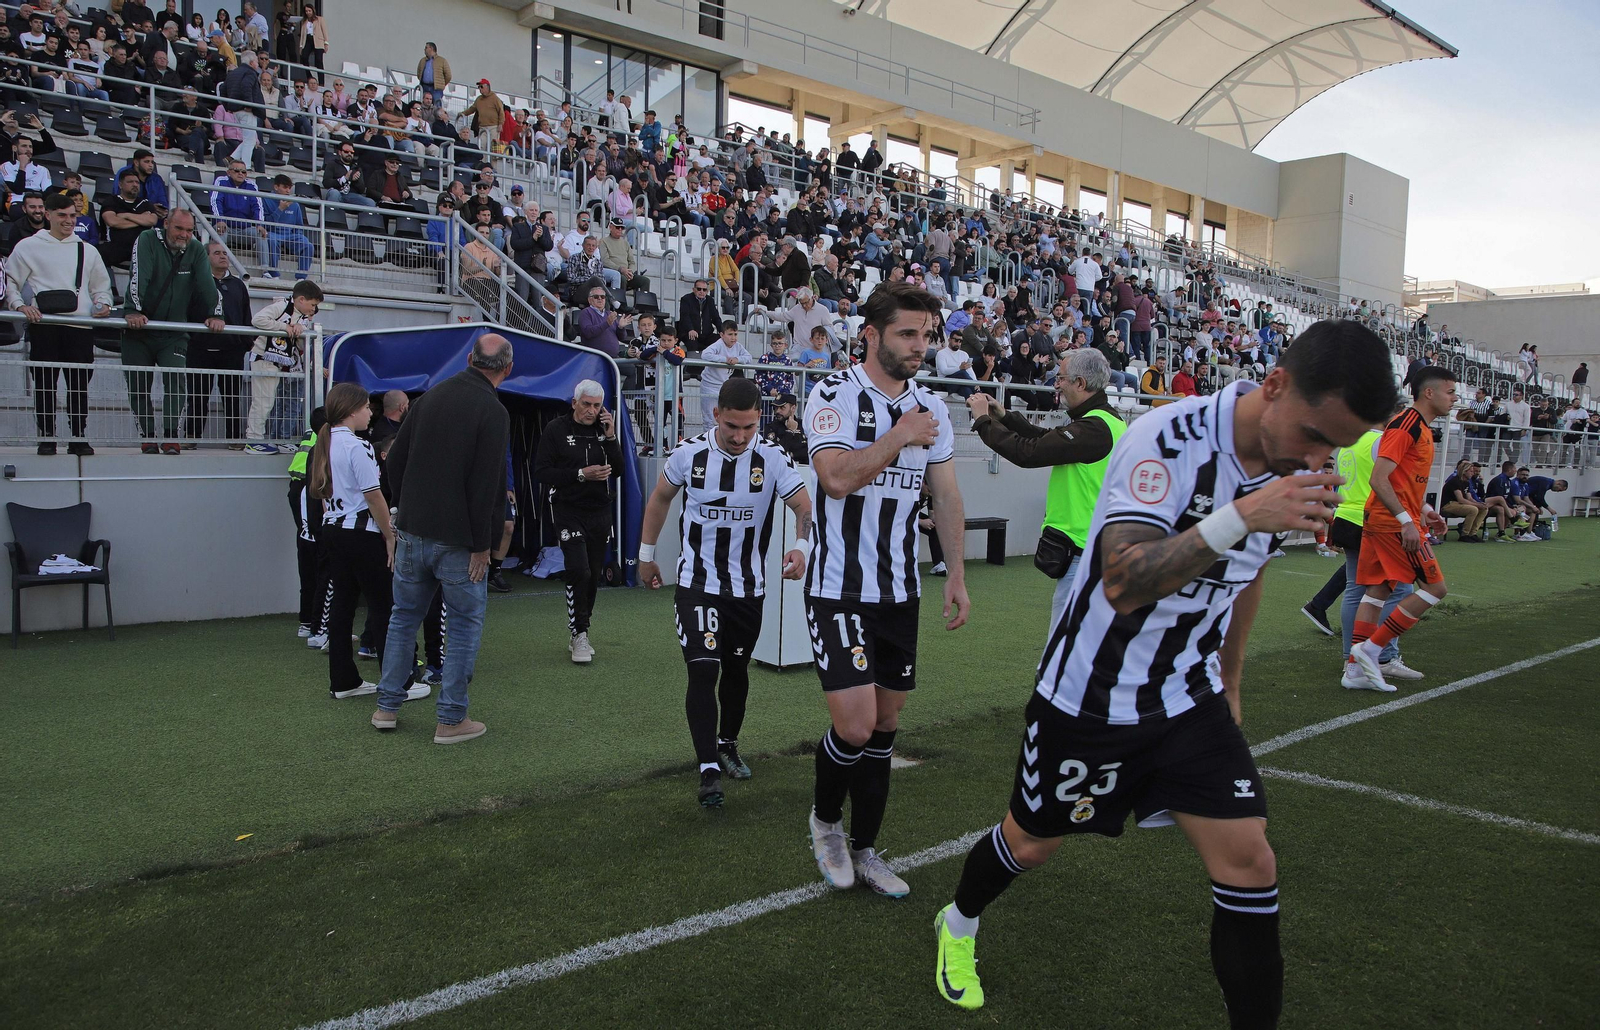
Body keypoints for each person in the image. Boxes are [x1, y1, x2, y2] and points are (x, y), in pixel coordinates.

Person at [933, 319, 1397, 1020]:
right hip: (1090, 694)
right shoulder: (1166, 440)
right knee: (1031, 844)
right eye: (1315, 435)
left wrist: (1232, 679)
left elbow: (1251, 574)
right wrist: (1243, 514)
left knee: (1250, 861)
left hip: (1187, 694)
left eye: (1336, 445)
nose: (1320, 456)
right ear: (1273, 387)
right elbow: (1124, 582)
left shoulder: (1292, 466)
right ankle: (959, 922)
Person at [803, 280, 970, 898]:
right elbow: (836, 479)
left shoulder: (931, 408)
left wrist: (954, 571)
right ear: (871, 334)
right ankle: (825, 821)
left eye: (926, 335)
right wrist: (900, 434)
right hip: (838, 587)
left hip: (900, 592)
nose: (919, 346)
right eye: (907, 333)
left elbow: (946, 493)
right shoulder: (833, 393)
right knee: (853, 726)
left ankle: (867, 848)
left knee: (884, 727)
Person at [637, 377, 813, 807]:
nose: (739, 436)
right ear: (716, 415)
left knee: (736, 671)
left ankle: (728, 743)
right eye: (732, 426)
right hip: (697, 584)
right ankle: (708, 769)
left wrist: (801, 544)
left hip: (748, 589)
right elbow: (660, 498)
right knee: (703, 669)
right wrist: (645, 554)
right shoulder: (688, 453)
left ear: (760, 421)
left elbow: (804, 505)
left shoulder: (772, 458)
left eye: (749, 427)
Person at [371, 333, 512, 742]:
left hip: (413, 531)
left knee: (402, 620)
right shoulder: (493, 411)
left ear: (469, 358)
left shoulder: (429, 397)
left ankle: (386, 708)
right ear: (508, 369)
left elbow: (394, 460)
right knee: (464, 626)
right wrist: (484, 546)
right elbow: (487, 483)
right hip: (460, 541)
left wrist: (405, 508)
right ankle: (451, 720)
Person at [965, 348, 1125, 628]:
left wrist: (983, 421)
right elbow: (1048, 439)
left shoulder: (1094, 428)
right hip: (1097, 552)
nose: (1056, 384)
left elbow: (1029, 453)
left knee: (1063, 653)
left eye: (1061, 378)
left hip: (1085, 556)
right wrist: (1005, 416)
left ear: (1080, 383)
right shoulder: (1108, 422)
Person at [1346, 367, 1457, 693]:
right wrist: (1406, 521)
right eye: (1450, 392)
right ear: (1429, 393)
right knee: (1436, 589)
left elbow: (1400, 481)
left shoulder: (1420, 428)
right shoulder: (1407, 424)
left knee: (1378, 590)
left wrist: (1424, 510)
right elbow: (1378, 478)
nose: (1454, 399)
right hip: (1391, 523)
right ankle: (1371, 650)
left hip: (1390, 519)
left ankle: (1354, 670)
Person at [1297, 408, 1422, 682]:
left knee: (1355, 589)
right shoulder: (1381, 441)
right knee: (1399, 588)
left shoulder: (1351, 443)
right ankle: (1385, 656)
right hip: (1373, 519)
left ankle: (1350, 660)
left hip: (1347, 518)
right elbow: (1390, 483)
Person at [309, 381, 406, 701]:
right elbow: (374, 496)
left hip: (333, 532)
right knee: (383, 607)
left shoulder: (324, 444)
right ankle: (397, 683)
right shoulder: (357, 445)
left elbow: (325, 496)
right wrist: (389, 535)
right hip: (360, 534)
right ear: (352, 410)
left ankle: (344, 680)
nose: (370, 413)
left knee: (343, 606)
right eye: (366, 407)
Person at [5, 190, 115, 456]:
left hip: (80, 328)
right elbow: (10, 282)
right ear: (48, 215)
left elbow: (101, 286)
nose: (68, 220)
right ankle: (47, 438)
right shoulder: (28, 246)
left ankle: (79, 437)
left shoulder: (87, 249)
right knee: (44, 385)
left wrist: (104, 304)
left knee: (79, 386)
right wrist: (20, 306)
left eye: (72, 215)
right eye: (62, 215)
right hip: (44, 326)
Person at [535, 380, 623, 664]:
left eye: (597, 406)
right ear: (574, 402)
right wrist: (581, 474)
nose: (591, 411)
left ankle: (583, 629)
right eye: (586, 404)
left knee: (593, 574)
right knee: (579, 570)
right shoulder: (556, 430)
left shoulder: (603, 429)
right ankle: (579, 634)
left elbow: (619, 470)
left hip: (599, 510)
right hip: (568, 508)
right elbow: (542, 472)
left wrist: (611, 437)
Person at [123, 210, 225, 453]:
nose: (184, 235)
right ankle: (147, 436)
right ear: (166, 224)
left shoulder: (196, 250)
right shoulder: (147, 239)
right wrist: (133, 310)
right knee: (138, 385)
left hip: (174, 332)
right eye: (179, 229)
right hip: (140, 330)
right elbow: (139, 275)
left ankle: (171, 436)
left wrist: (216, 314)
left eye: (189, 230)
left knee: (176, 384)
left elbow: (207, 285)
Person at [183, 242, 252, 445]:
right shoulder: (194, 282)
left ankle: (234, 439)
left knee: (232, 399)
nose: (223, 256)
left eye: (225, 253)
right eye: (217, 253)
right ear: (206, 258)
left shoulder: (238, 285)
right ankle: (191, 437)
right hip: (199, 349)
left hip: (231, 351)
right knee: (197, 397)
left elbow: (245, 315)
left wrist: (245, 343)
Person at [243, 279, 322, 453]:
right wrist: (284, 327)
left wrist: (300, 331)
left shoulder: (301, 317)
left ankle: (261, 439)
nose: (313, 309)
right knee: (263, 401)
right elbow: (258, 319)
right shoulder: (281, 306)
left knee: (268, 401)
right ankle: (253, 440)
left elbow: (299, 347)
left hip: (278, 362)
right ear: (301, 299)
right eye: (312, 304)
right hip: (264, 358)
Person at [697, 321, 752, 432]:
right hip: (709, 386)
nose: (733, 338)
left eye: (735, 334)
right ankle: (708, 445)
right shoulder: (718, 344)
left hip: (723, 387)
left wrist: (738, 359)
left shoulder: (738, 346)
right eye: (730, 334)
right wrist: (724, 360)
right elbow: (705, 354)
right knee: (709, 419)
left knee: (724, 417)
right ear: (722, 335)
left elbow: (748, 357)